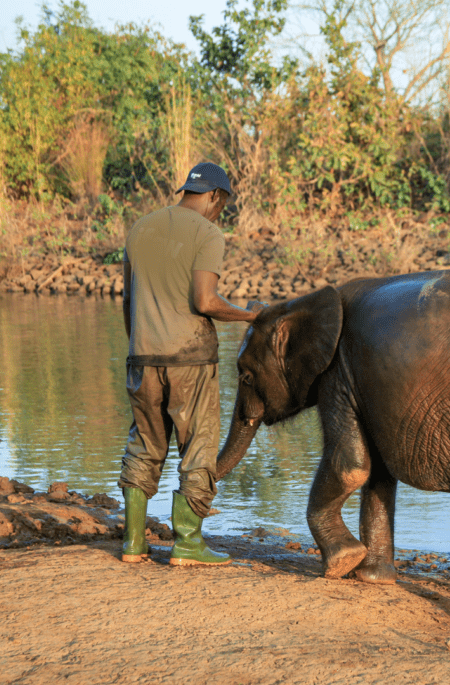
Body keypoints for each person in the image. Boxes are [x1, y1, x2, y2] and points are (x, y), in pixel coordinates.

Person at [118, 162, 260, 566]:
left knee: (144, 445)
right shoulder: (207, 233)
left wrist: (138, 344)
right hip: (190, 359)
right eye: (223, 204)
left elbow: (128, 301)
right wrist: (252, 316)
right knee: (198, 445)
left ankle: (133, 544)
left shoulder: (140, 228)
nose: (221, 212)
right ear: (215, 195)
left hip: (141, 356)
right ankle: (187, 544)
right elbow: (206, 302)